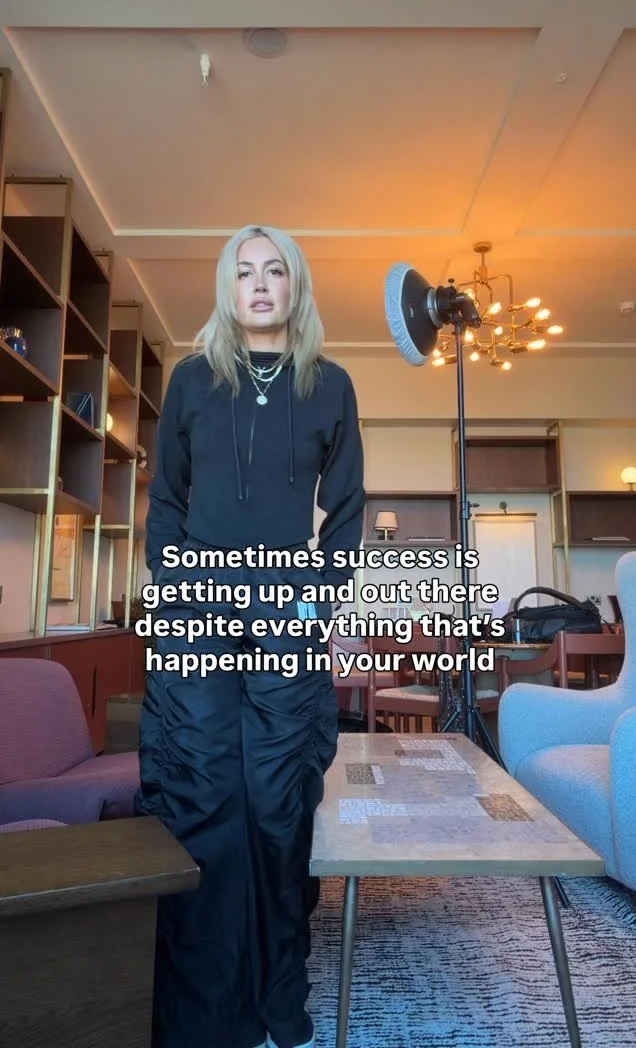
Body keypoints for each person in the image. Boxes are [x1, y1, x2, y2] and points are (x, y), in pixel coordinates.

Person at [135, 224, 366, 1048]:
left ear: (295, 286)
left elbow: (347, 511)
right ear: (227, 288)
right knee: (206, 792)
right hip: (199, 607)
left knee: (275, 798)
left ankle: (276, 994)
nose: (260, 284)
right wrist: (177, 585)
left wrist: (315, 600)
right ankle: (204, 1010)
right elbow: (167, 500)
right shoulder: (193, 379)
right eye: (244, 271)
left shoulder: (330, 385)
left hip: (285, 608)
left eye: (275, 270)